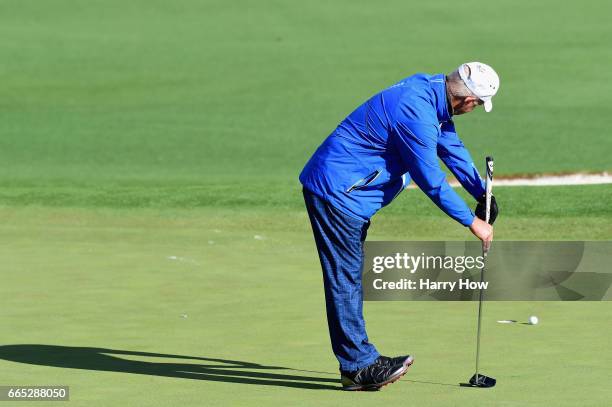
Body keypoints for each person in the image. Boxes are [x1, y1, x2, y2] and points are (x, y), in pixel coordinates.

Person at [299, 62, 500, 391]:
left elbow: (449, 145)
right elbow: (430, 180)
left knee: (348, 275)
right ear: (467, 101)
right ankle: (358, 366)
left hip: (350, 190)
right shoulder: (416, 112)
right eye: (477, 104)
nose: (473, 109)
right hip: (337, 191)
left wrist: (481, 191)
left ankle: (356, 362)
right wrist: (472, 222)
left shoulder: (432, 92)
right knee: (345, 278)